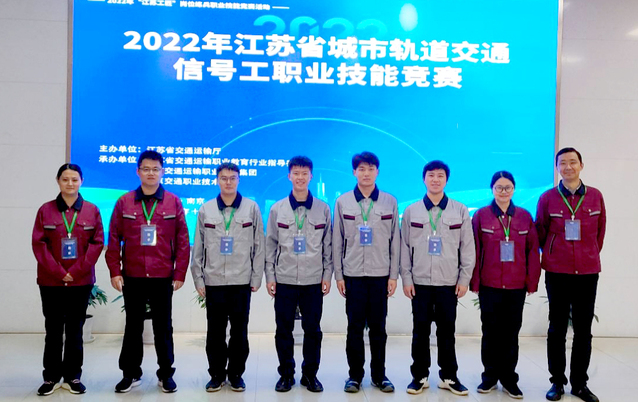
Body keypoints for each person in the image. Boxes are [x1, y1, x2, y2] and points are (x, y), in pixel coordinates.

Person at [105, 150, 190, 394]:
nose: (151, 173)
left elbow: (183, 241)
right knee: (133, 326)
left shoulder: (173, 202)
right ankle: (130, 373)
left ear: (162, 172)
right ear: (138, 171)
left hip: (162, 275)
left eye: (155, 169)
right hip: (133, 275)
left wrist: (179, 273)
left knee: (163, 327)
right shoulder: (124, 202)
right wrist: (115, 271)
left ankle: (166, 373)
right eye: (146, 169)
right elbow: (114, 239)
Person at [536, 148, 606, 402]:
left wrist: (587, 254)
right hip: (557, 272)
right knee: (557, 328)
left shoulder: (595, 196)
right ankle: (557, 382)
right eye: (562, 163)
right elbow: (541, 232)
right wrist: (555, 254)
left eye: (572, 162)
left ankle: (579, 384)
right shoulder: (548, 198)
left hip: (587, 272)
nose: (568, 167)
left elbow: (600, 233)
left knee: (583, 330)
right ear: (557, 168)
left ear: (581, 165)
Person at [400, 160, 475, 396]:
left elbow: (468, 247)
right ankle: (419, 376)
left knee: (447, 331)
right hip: (420, 283)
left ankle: (448, 376)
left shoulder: (459, 210)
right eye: (431, 175)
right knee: (420, 331)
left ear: (446, 180)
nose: (435, 179)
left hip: (448, 283)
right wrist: (407, 279)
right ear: (424, 179)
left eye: (440, 175)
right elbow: (404, 248)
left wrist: (464, 279)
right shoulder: (411, 211)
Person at [190, 162, 265, 393]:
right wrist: (198, 279)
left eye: (233, 178)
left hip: (241, 281)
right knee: (215, 332)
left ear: (239, 180)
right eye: (224, 178)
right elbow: (198, 247)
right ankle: (216, 375)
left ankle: (236, 374)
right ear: (217, 180)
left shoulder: (251, 208)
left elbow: (259, 245)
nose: (228, 182)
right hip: (214, 281)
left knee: (239, 332)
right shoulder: (206, 209)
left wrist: (256, 278)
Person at [32, 163, 104, 396]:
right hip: (51, 281)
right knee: (53, 330)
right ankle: (51, 377)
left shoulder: (92, 210)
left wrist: (77, 270)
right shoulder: (46, 210)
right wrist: (58, 271)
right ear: (58, 181)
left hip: (80, 281)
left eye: (74, 179)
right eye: (65, 179)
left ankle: (73, 376)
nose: (70, 183)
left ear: (81, 181)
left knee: (75, 330)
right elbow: (39, 245)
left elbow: (97, 244)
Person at [470, 171, 541, 399]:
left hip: (516, 285)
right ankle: (489, 377)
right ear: (492, 189)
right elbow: (474, 250)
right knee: (490, 332)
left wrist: (532, 281)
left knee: (511, 333)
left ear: (514, 189)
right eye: (499, 187)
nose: (503, 191)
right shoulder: (481, 216)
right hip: (489, 284)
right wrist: (474, 281)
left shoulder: (524, 217)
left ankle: (509, 379)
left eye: (508, 187)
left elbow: (533, 250)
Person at [265, 156, 333, 393]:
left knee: (313, 330)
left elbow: (328, 246)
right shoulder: (277, 209)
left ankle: (310, 375)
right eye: (296, 173)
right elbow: (270, 245)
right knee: (283, 330)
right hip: (284, 279)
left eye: (304, 173)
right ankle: (286, 374)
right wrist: (270, 276)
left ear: (311, 176)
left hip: (313, 280)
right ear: (289, 176)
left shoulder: (323, 209)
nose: (300, 177)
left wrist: (327, 275)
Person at [333, 151, 399, 393]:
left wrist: (393, 275)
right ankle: (355, 376)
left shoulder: (390, 202)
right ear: (354, 172)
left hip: (380, 275)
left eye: (371, 169)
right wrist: (339, 275)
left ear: (377, 172)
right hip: (353, 275)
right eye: (361, 169)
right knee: (354, 327)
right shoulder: (343, 202)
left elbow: (395, 241)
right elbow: (337, 240)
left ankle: (379, 375)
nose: (366, 173)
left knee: (379, 328)